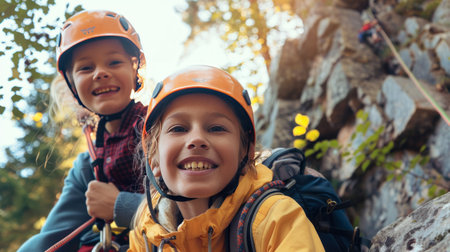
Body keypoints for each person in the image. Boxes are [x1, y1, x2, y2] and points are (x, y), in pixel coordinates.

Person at [129, 65, 324, 251]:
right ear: (153, 158)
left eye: (217, 128)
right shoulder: (148, 234)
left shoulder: (276, 219)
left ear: (245, 153)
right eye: (178, 129)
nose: (196, 139)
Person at [19, 10, 147, 251]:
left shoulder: (163, 130)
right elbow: (53, 239)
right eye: (86, 68)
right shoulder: (88, 166)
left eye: (114, 62)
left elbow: (196, 212)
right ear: (72, 85)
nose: (100, 72)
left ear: (135, 69)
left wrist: (122, 206)